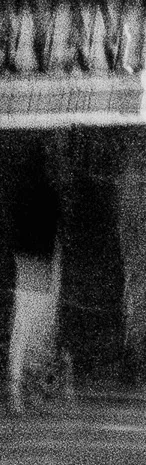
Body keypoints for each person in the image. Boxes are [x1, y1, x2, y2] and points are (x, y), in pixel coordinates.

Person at [5, 141, 64, 408]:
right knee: (39, 328)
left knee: (23, 326)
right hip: (43, 264)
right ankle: (33, 387)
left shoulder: (18, 194)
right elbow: (57, 232)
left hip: (25, 263)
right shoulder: (50, 194)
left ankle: (17, 385)